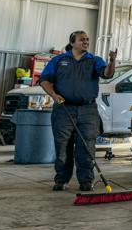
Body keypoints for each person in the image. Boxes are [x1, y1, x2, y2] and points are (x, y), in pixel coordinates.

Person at [39, 31, 116, 191]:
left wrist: (112, 61)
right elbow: (44, 80)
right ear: (72, 43)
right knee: (62, 147)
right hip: (63, 110)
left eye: (88, 39)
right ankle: (61, 180)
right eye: (82, 40)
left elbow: (107, 74)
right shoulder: (59, 60)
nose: (86, 42)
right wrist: (54, 95)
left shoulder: (94, 60)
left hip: (88, 110)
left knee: (87, 146)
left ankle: (86, 181)